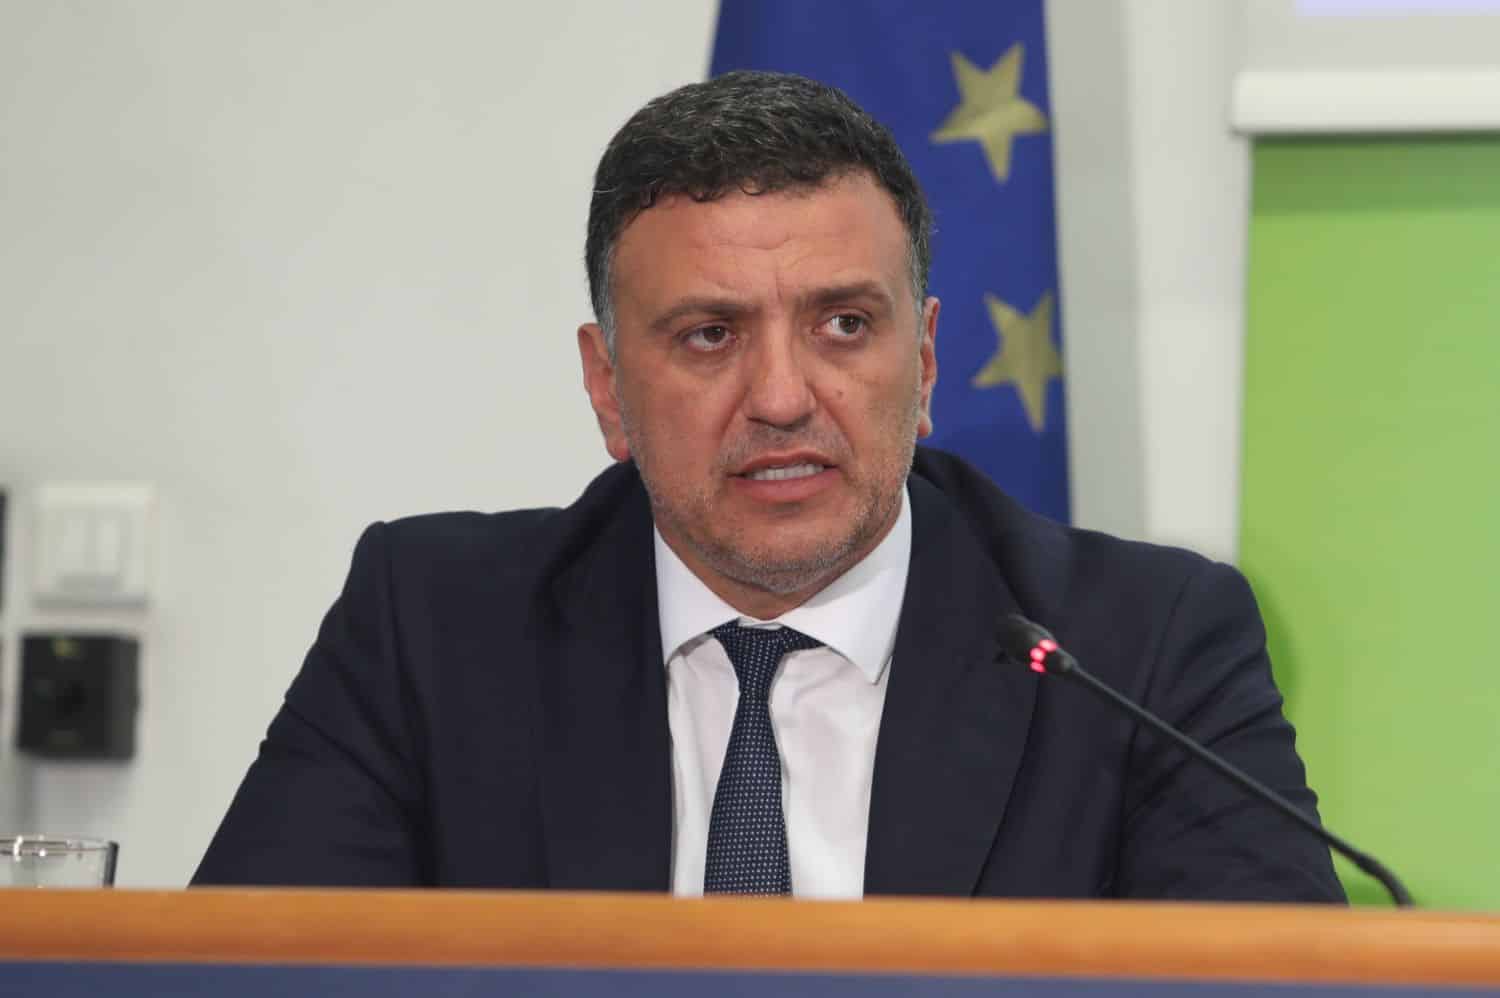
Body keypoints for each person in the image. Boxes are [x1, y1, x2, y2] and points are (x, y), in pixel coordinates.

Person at [194, 71, 1344, 901]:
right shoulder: (434, 626)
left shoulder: (1137, 648)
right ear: (607, 386)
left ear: (925, 360)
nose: (784, 396)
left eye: (844, 324)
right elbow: (240, 977)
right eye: (709, 335)